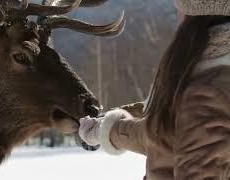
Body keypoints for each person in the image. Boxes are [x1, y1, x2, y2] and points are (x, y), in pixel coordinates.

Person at [78, 0, 230, 179]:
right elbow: (163, 137)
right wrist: (104, 129)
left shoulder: (206, 92)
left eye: (179, 11)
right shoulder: (205, 83)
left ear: (194, 16)